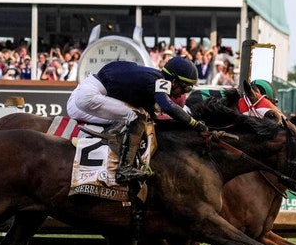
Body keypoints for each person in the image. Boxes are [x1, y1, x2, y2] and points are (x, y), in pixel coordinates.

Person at [66, 55, 208, 183]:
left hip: (82, 95)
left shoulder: (152, 78)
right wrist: (194, 124)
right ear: (175, 81)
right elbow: (167, 106)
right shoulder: (159, 80)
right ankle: (124, 170)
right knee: (135, 117)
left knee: (138, 117)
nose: (182, 94)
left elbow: (155, 117)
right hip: (88, 96)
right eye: (185, 89)